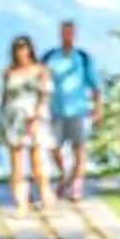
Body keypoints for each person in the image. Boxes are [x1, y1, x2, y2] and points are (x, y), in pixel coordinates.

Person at [44, 18, 104, 203]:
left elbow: (95, 85)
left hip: (78, 109)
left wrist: (97, 107)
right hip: (56, 110)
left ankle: (76, 183)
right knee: (53, 148)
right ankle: (64, 176)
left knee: (79, 148)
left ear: (74, 35)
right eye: (64, 32)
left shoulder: (82, 58)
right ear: (59, 34)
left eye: (70, 33)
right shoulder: (50, 57)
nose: (67, 36)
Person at [0, 34, 52, 212]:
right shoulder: (8, 72)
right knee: (16, 162)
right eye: (18, 49)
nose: (21, 52)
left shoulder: (39, 70)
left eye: (24, 47)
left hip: (32, 116)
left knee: (36, 160)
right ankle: (20, 201)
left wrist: (36, 116)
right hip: (13, 118)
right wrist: (1, 120)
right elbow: (4, 97)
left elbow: (43, 94)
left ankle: (45, 196)